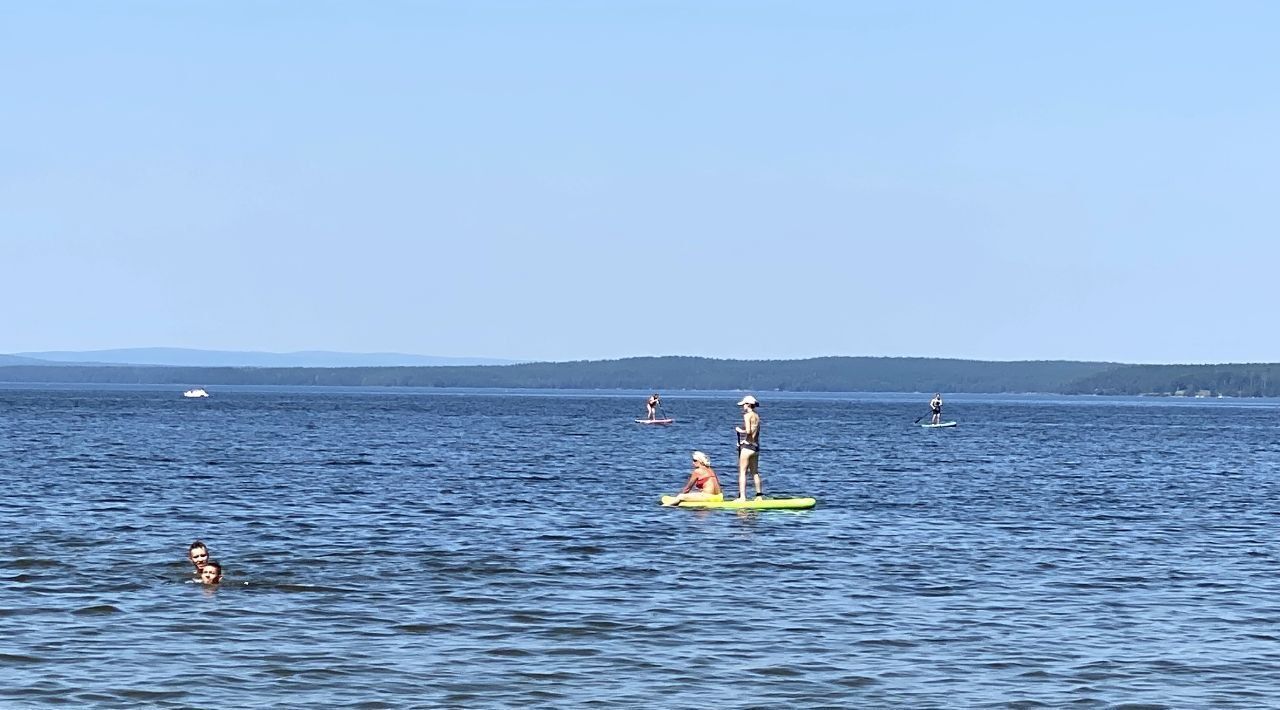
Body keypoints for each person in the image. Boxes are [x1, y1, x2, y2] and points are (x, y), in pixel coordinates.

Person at [735, 395, 762, 501]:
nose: (743, 407)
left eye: (744, 405)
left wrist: (739, 430)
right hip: (755, 447)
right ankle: (759, 496)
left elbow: (749, 431)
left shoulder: (747, 416)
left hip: (747, 448)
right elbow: (754, 433)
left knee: (742, 472)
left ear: (748, 405)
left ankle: (742, 497)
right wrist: (744, 440)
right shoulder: (757, 416)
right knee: (755, 472)